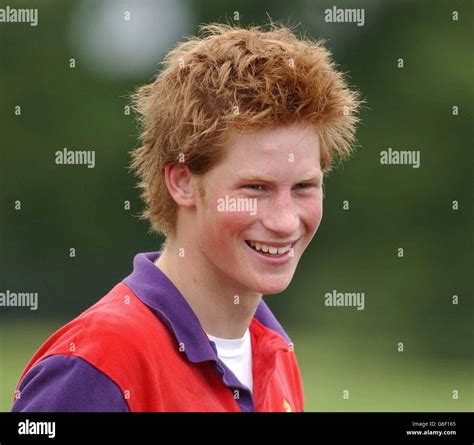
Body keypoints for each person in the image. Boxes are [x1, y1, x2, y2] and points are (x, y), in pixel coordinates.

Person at [12, 22, 360, 412]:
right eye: (255, 189)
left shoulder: (274, 353)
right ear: (182, 183)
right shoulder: (96, 367)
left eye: (303, 188)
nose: (284, 221)